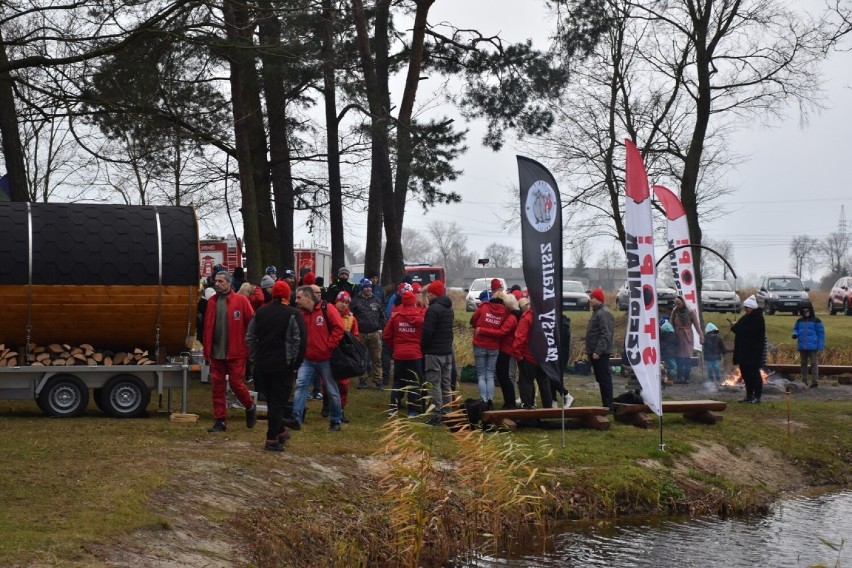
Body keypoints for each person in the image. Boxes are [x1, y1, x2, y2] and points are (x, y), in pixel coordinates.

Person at [246, 281, 306, 452]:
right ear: (288, 295)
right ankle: (271, 438)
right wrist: (296, 363)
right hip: (284, 365)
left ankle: (280, 430)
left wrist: (255, 356)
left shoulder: (260, 312)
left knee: (273, 401)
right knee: (278, 402)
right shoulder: (294, 314)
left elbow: (250, 337)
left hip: (263, 365)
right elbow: (299, 341)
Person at [202, 270, 258, 433]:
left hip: (237, 351)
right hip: (216, 352)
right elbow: (207, 328)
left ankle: (249, 406)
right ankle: (220, 421)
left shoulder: (241, 301)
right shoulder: (211, 302)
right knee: (217, 386)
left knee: (236, 384)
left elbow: (252, 325)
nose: (217, 284)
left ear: (229, 282)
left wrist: (250, 346)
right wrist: (207, 350)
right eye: (216, 281)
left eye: (220, 281)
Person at [291, 285, 346, 431]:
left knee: (332, 390)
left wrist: (329, 345)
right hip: (307, 359)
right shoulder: (300, 313)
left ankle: (336, 420)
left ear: (308, 297)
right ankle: (296, 418)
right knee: (301, 385)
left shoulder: (326, 308)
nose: (296, 301)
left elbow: (339, 327)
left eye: (299, 297)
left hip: (325, 359)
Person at [470, 287, 515, 409]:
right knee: (490, 375)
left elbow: (473, 320)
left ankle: (483, 400)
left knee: (481, 374)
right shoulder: (505, 312)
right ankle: (490, 400)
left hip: (479, 343)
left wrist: (479, 327)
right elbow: (501, 330)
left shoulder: (483, 307)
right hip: (494, 346)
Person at [383, 291, 425, 417]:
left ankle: (393, 408)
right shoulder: (420, 317)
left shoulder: (395, 317)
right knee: (414, 382)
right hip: (415, 354)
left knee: (398, 381)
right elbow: (424, 336)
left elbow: (386, 335)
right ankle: (412, 410)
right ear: (414, 302)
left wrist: (394, 346)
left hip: (399, 354)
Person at [320, 291, 358, 423]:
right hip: (330, 352)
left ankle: (340, 410)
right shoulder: (327, 314)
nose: (344, 305)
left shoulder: (352, 319)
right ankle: (326, 404)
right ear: (336, 301)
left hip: (344, 356)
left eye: (347, 303)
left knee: (344, 384)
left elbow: (355, 337)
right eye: (342, 302)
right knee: (327, 382)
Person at [420, 280, 455, 422]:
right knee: (446, 383)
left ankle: (436, 413)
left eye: (429, 293)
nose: (427, 295)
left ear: (434, 294)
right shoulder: (449, 309)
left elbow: (427, 332)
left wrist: (423, 348)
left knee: (434, 384)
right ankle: (448, 411)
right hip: (447, 352)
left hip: (434, 352)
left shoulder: (433, 310)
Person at [513, 297, 552, 409]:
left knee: (526, 381)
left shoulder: (527, 317)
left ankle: (527, 406)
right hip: (543, 356)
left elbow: (520, 337)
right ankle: (548, 409)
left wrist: (517, 354)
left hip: (528, 356)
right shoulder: (547, 317)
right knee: (544, 382)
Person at [349, 278, 385, 389]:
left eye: (369, 286)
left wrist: (380, 328)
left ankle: (378, 380)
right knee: (361, 358)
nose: (368, 288)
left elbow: (382, 315)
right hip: (361, 333)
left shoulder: (376, 300)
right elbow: (351, 316)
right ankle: (362, 379)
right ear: (362, 288)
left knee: (377, 358)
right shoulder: (355, 300)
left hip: (374, 333)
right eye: (366, 286)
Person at [730, 295, 766, 404]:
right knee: (745, 374)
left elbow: (749, 332)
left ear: (752, 307)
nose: (745, 310)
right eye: (745, 308)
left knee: (754, 374)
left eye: (747, 308)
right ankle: (749, 395)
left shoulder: (758, 319)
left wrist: (736, 327)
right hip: (744, 352)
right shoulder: (746, 317)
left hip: (753, 352)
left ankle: (757, 396)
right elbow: (741, 329)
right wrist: (735, 326)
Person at [585, 288, 614, 409]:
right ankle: (606, 404)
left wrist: (598, 351)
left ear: (598, 299)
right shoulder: (597, 312)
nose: (590, 300)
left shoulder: (604, 313)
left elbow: (605, 334)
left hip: (601, 353)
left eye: (592, 298)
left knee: (604, 379)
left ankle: (608, 405)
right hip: (594, 351)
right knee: (600, 379)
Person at [670, 296, 704, 384]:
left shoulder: (690, 311)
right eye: (676, 304)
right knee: (678, 358)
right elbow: (671, 323)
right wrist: (671, 334)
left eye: (679, 304)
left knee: (686, 358)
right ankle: (679, 377)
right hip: (677, 336)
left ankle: (686, 377)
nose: (677, 305)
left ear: (683, 303)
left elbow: (696, 325)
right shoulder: (675, 311)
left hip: (687, 336)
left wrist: (701, 335)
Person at [495, 292, 520, 409]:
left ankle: (510, 402)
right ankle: (509, 401)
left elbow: (502, 332)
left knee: (504, 376)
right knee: (503, 376)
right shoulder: (511, 316)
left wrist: (484, 330)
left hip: (506, 349)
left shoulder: (511, 318)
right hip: (505, 348)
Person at [792, 300, 824, 388]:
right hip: (802, 346)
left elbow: (821, 334)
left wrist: (820, 346)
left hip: (813, 346)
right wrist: (795, 334)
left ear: (810, 310)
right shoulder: (799, 321)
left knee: (814, 364)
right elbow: (796, 329)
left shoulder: (816, 321)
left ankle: (815, 381)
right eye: (804, 310)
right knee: (803, 364)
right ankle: (804, 381)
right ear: (801, 311)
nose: (805, 312)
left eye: (807, 310)